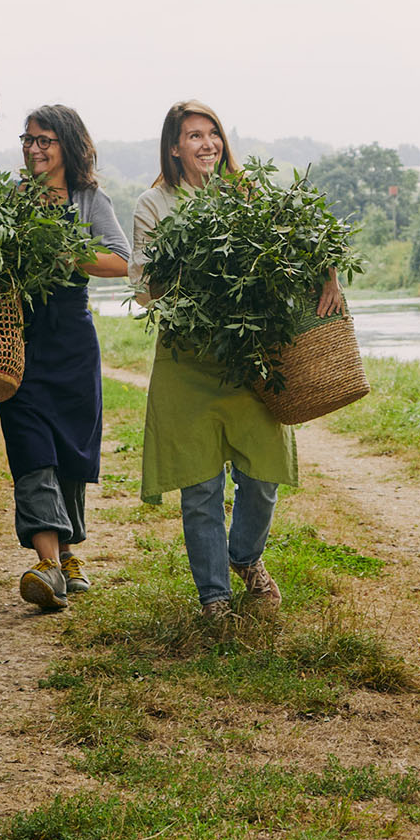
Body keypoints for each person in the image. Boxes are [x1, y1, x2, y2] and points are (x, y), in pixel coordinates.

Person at [127, 100, 344, 619]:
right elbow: (141, 288)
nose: (207, 144)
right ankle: (214, 597)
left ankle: (244, 557)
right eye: (194, 136)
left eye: (213, 134)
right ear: (174, 147)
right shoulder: (153, 204)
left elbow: (302, 239)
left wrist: (330, 275)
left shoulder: (245, 195)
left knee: (264, 472)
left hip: (248, 357)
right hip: (187, 359)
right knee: (200, 485)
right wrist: (181, 263)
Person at [3, 105, 130, 611]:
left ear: (68, 145)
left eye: (45, 140)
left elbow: (122, 259)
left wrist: (66, 252)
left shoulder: (88, 199)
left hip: (72, 340)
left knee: (71, 453)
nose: (34, 148)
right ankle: (49, 564)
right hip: (19, 339)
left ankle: (68, 554)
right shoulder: (13, 199)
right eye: (28, 139)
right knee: (31, 447)